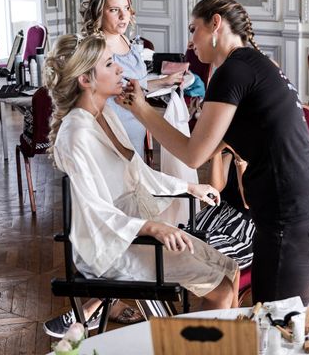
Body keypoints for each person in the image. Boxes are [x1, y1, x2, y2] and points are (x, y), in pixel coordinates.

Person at [118, 0, 309, 306]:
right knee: (275, 322)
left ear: (216, 24)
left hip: (293, 221)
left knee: (276, 328)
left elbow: (194, 154)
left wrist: (142, 110)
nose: (191, 42)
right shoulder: (255, 65)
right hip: (298, 217)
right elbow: (207, 150)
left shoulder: (232, 71)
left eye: (194, 29)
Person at [42, 33, 238, 337]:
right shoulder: (75, 134)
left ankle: (206, 345)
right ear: (85, 79)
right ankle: (198, 347)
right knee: (222, 289)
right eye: (109, 63)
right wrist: (151, 228)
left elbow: (138, 172)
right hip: (111, 244)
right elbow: (94, 210)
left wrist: (189, 188)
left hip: (132, 229)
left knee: (230, 269)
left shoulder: (104, 113)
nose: (120, 69)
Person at [80, 0, 185, 159]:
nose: (123, 15)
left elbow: (133, 85)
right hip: (111, 131)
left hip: (136, 126)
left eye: (126, 8)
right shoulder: (96, 49)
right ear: (99, 13)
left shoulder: (126, 41)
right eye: (114, 10)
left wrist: (163, 82)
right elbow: (90, 101)